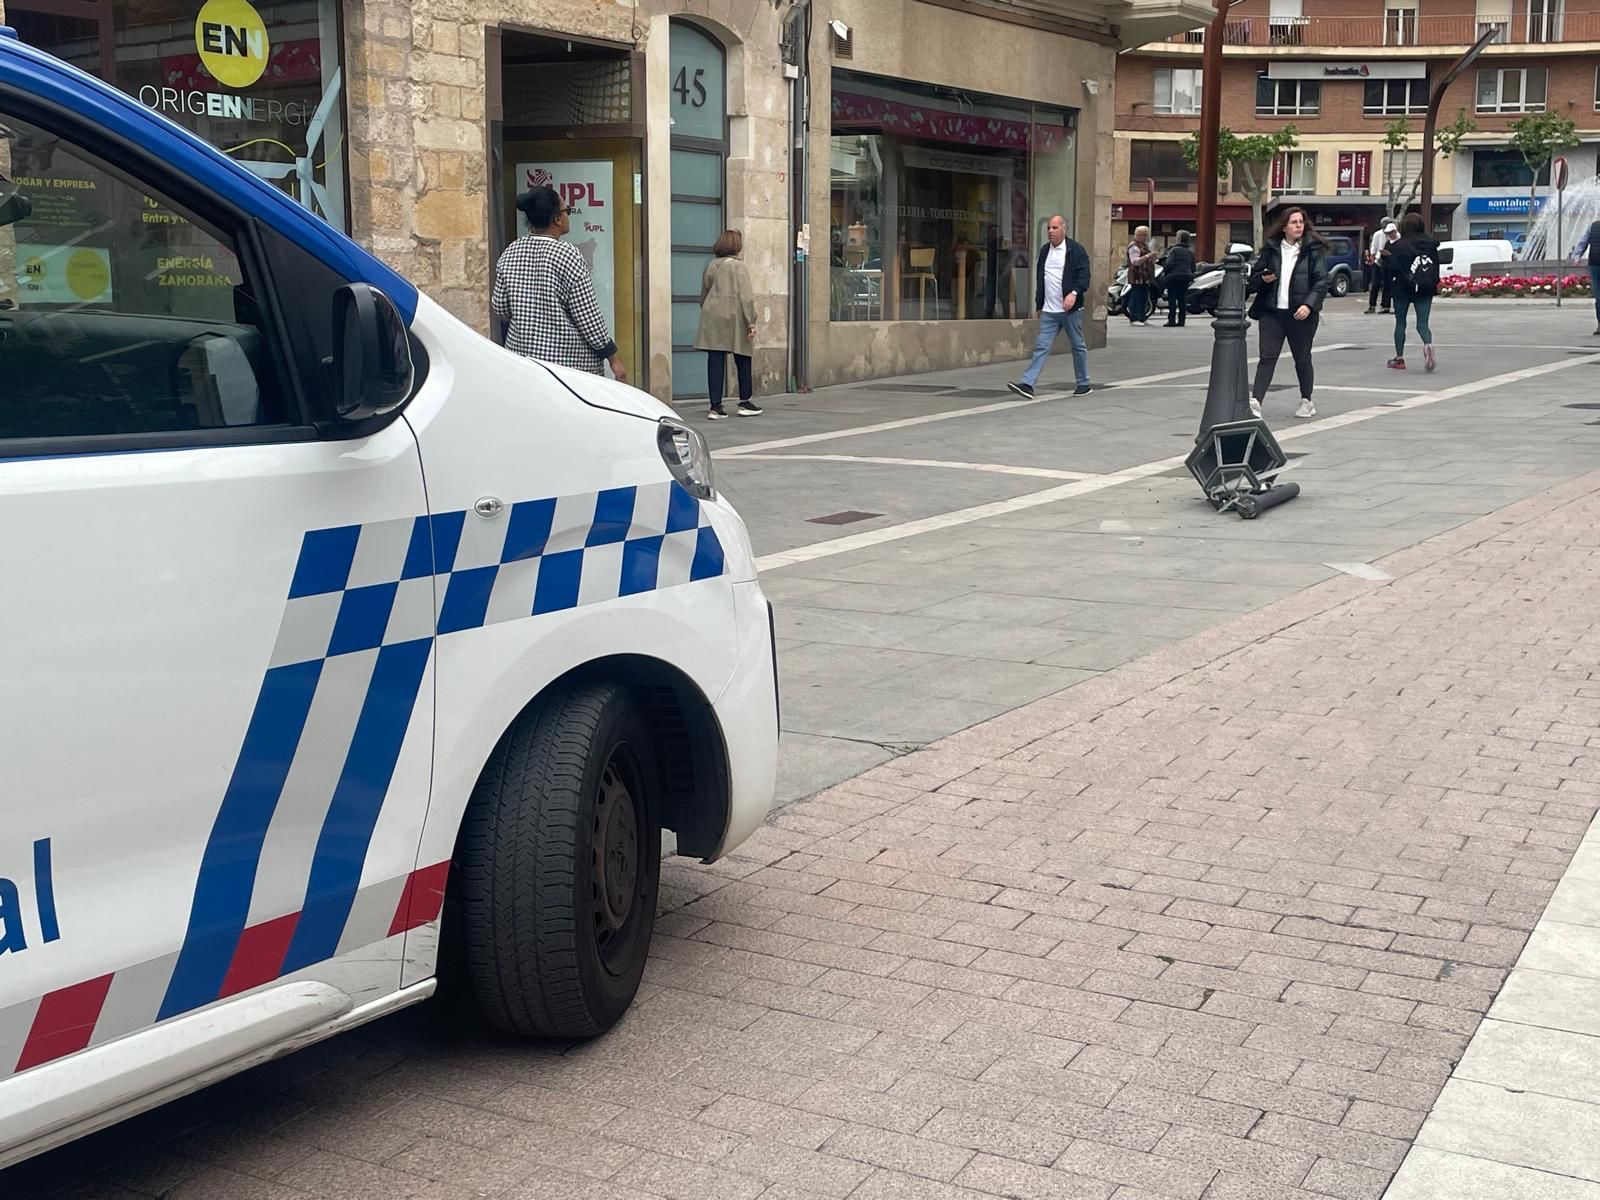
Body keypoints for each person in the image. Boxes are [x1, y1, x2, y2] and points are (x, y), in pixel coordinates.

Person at [492, 186, 627, 381]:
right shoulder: (568, 254)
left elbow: (501, 307)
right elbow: (588, 318)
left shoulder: (511, 251)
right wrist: (613, 358)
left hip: (523, 362)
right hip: (567, 367)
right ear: (557, 219)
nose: (568, 216)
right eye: (567, 211)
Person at [1247, 206, 1329, 420]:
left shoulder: (1312, 249)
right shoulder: (1271, 249)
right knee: (1267, 357)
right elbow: (1253, 280)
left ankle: (1306, 400)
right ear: (1284, 226)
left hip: (1300, 314)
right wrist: (1263, 278)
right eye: (1294, 222)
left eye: (1301, 222)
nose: (1298, 226)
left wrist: (1308, 305)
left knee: (1302, 358)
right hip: (1272, 312)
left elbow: (1321, 281)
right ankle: (1256, 401)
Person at [1007, 214, 1091, 398]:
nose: (1050, 232)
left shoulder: (1075, 250)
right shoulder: (1045, 250)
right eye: (1048, 228)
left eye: (1054, 228)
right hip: (1049, 310)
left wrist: (1074, 293)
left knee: (1077, 345)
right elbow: (1041, 278)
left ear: (1064, 229)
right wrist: (1039, 304)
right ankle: (1028, 384)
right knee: (1041, 346)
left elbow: (1084, 277)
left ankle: (1083, 383)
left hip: (1070, 310)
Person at [695, 228, 762, 420]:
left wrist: (709, 312)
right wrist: (751, 322)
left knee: (715, 361)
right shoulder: (739, 267)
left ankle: (715, 406)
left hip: (712, 316)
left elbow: (703, 294)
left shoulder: (711, 265)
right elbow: (746, 297)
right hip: (735, 317)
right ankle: (744, 402)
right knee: (743, 357)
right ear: (737, 246)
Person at [1387, 212, 1440, 372]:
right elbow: (1436, 268)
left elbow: (1392, 269)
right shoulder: (1431, 245)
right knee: (1422, 323)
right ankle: (1427, 345)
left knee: (1400, 322)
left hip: (1402, 288)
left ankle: (1400, 359)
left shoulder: (1398, 246)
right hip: (1425, 288)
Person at [1162, 231, 1196, 327]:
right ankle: (1182, 320)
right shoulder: (1190, 251)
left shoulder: (1174, 250)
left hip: (1173, 277)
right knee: (1182, 298)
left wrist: (1166, 272)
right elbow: (1193, 266)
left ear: (1179, 238)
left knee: (1172, 298)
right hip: (1186, 276)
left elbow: (1169, 264)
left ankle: (1172, 319)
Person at [1365, 221, 1399, 315]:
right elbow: (1373, 248)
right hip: (1379, 261)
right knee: (1375, 284)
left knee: (1388, 284)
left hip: (1391, 264)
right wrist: (1373, 259)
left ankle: (1386, 305)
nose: (1386, 233)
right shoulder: (1378, 234)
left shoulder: (1398, 238)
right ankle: (1372, 305)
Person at [1574, 216, 1600, 336]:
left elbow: (1583, 242)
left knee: (1599, 297)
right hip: (1595, 265)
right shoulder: (1593, 227)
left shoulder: (1593, 226)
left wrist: (1577, 256)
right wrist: (1577, 256)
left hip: (1594, 264)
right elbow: (1583, 242)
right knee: (1599, 297)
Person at [1126, 226, 1156, 325]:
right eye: (1145, 235)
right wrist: (1148, 256)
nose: (1146, 237)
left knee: (1143, 297)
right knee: (1136, 296)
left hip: (1144, 277)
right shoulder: (1134, 247)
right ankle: (1134, 318)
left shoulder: (1144, 246)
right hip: (1137, 276)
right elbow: (1135, 261)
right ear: (1139, 235)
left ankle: (1142, 317)